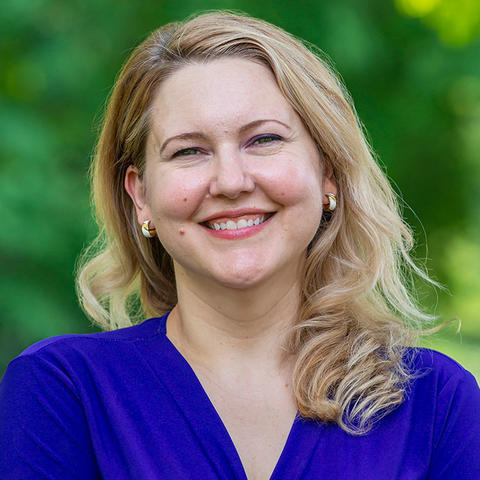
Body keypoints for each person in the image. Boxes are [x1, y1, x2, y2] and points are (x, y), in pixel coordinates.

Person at [1, 11, 479, 480]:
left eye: (264, 140)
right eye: (189, 151)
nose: (230, 181)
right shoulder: (64, 392)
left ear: (327, 172)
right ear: (141, 196)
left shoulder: (434, 403)